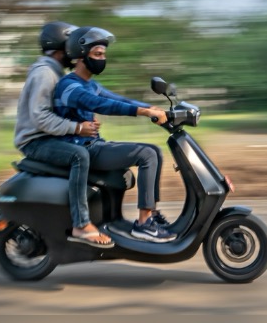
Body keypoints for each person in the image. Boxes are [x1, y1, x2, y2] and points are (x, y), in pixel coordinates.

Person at [52, 26, 176, 243]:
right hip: (83, 149)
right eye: (97, 54)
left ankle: (150, 215)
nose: (102, 59)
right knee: (147, 153)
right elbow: (100, 104)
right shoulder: (69, 86)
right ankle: (144, 223)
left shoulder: (90, 84)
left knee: (153, 151)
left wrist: (151, 107)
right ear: (81, 56)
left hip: (94, 145)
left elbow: (118, 100)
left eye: (103, 55)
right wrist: (143, 112)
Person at [14, 21, 114, 249]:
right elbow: (40, 118)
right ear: (62, 47)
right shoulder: (45, 74)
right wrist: (77, 128)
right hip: (36, 141)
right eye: (72, 45)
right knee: (79, 155)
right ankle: (81, 223)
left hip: (50, 135)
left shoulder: (57, 73)